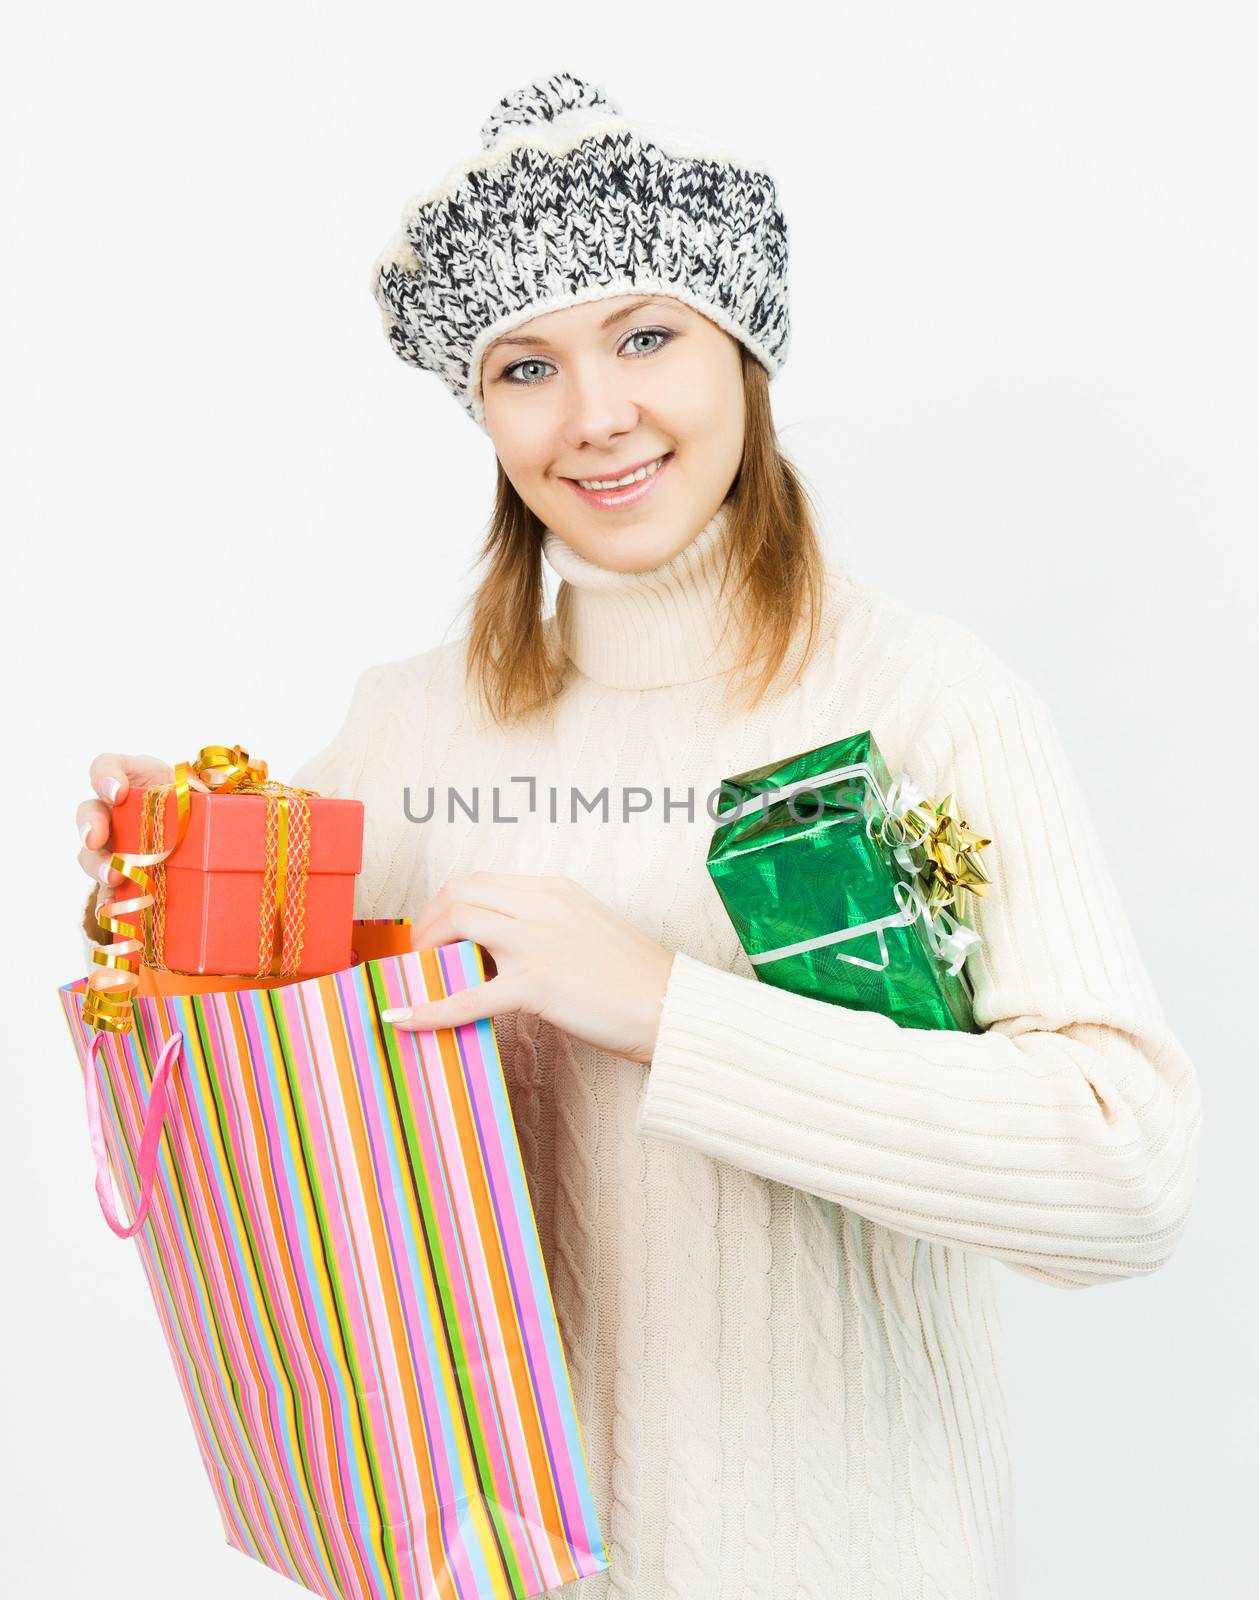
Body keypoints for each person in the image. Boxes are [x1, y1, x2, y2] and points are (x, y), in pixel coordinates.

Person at [74, 71, 1202, 1600]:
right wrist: (187, 881)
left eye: (646, 337)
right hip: (483, 1571)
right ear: (478, 410)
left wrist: (664, 1010)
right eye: (525, 366)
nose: (595, 416)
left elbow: (1124, 1184)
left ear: (744, 353)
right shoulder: (408, 730)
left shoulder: (920, 696)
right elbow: (285, 1116)